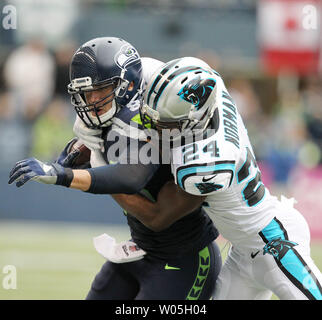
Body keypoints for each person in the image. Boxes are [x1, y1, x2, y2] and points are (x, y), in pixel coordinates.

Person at [8, 38, 221, 300]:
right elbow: (100, 147)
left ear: (128, 86)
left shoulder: (158, 120)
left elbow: (135, 184)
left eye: (101, 90)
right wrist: (85, 151)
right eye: (87, 92)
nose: (92, 100)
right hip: (140, 249)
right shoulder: (108, 118)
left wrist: (67, 175)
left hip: (183, 258)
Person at [139, 57, 322, 300]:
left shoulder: (204, 165)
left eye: (167, 124)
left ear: (194, 119)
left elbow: (160, 214)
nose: (156, 128)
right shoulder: (210, 92)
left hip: (274, 241)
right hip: (243, 251)